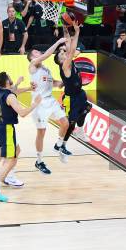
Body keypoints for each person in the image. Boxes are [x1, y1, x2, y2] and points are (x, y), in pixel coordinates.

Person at [0, 72, 41, 202]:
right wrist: (35, 104)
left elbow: (13, 90)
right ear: (6, 82)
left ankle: (2, 173)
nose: (11, 80)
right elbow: (22, 113)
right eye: (10, 79)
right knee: (11, 159)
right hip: (7, 129)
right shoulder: (10, 96)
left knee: (16, 150)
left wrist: (26, 87)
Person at [24, 37, 69, 174]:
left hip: (51, 100)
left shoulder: (46, 69)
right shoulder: (32, 65)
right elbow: (47, 55)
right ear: (32, 56)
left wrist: (63, 82)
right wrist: (58, 42)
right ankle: (39, 161)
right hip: (40, 103)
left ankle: (59, 145)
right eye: (37, 52)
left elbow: (53, 82)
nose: (39, 53)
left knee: (65, 123)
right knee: (41, 132)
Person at [54, 21, 92, 159]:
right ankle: (61, 144)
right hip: (71, 98)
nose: (64, 53)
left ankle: (80, 132)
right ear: (60, 61)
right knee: (70, 123)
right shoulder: (64, 66)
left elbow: (70, 45)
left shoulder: (68, 61)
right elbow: (72, 47)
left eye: (64, 52)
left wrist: (67, 30)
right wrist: (77, 32)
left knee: (87, 108)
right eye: (62, 54)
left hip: (79, 93)